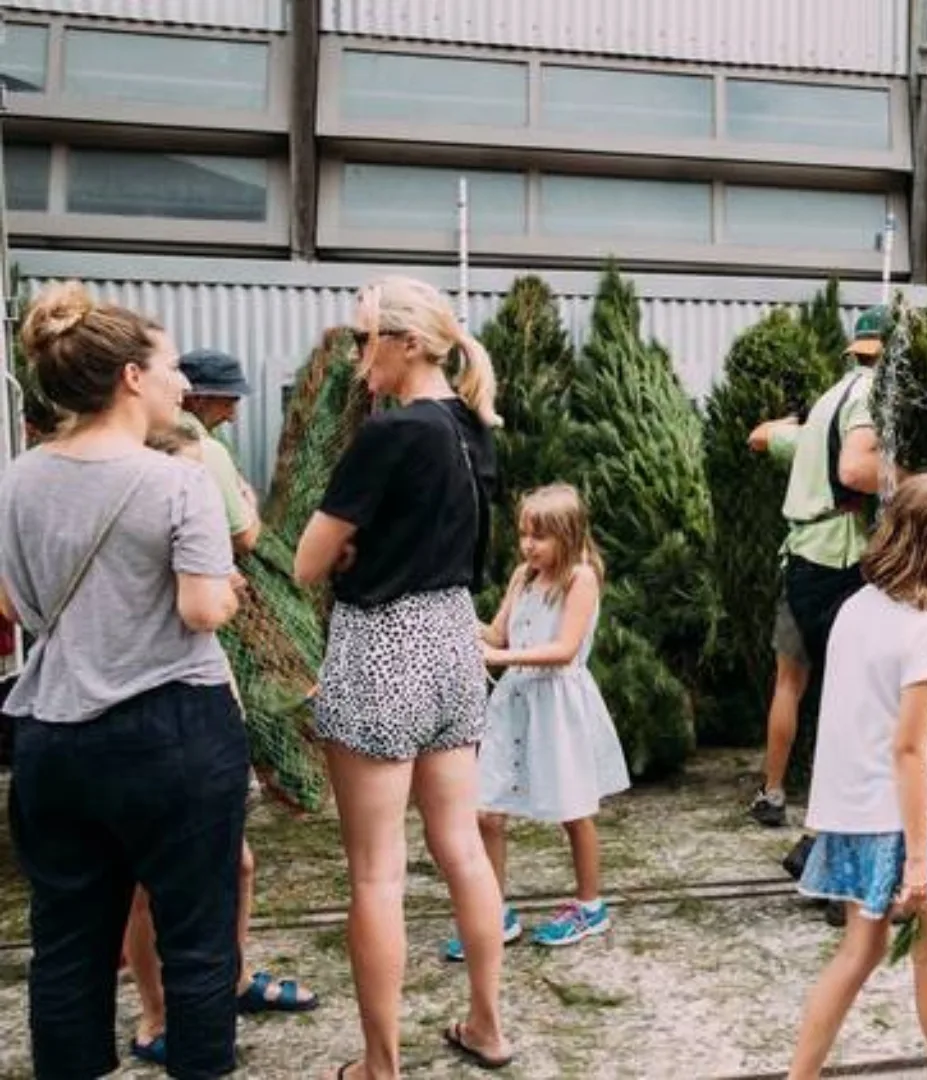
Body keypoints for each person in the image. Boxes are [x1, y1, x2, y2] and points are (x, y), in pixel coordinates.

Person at [0, 282, 247, 1079]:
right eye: (171, 365)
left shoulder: (15, 480)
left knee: (67, 949)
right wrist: (230, 590)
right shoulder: (178, 481)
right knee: (199, 947)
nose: (182, 382)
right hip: (172, 731)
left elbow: (12, 601)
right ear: (132, 378)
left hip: (52, 732)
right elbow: (203, 607)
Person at [294, 275, 512, 1078]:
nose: (357, 355)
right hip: (453, 638)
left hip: (383, 642)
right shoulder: (470, 428)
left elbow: (310, 560)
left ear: (408, 343)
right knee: (461, 847)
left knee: (377, 872)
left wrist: (352, 550)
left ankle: (380, 1067)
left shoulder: (388, 436)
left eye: (365, 339)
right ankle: (487, 1025)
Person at [123, 366, 316, 1072]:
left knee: (236, 861)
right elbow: (205, 603)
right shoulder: (156, 514)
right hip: (158, 714)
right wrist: (224, 585)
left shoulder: (192, 479)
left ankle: (231, 982)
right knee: (147, 884)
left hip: (207, 702)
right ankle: (154, 1015)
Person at [788, 474, 927, 1080]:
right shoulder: (926, 631)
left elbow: (856, 714)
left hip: (852, 810)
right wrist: (919, 859)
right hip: (911, 817)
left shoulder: (857, 608)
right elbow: (909, 749)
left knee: (859, 951)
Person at [445, 484, 630, 961]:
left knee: (573, 810)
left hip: (558, 706)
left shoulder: (580, 579)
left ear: (567, 536)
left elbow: (564, 649)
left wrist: (500, 656)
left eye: (540, 536)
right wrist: (455, 612)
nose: (528, 545)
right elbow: (496, 632)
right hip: (516, 702)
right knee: (487, 808)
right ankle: (491, 911)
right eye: (524, 533)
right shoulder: (522, 578)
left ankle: (590, 906)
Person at [746, 307, 892, 831]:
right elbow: (854, 469)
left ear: (854, 350)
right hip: (840, 560)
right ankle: (831, 822)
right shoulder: (872, 398)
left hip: (798, 558)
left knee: (789, 682)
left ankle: (773, 791)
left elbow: (758, 437)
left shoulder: (828, 402)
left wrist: (793, 425)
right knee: (849, 693)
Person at [176, 348, 261, 555]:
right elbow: (245, 540)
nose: (232, 417)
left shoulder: (147, 435)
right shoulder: (205, 449)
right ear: (198, 399)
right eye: (228, 403)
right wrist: (251, 503)